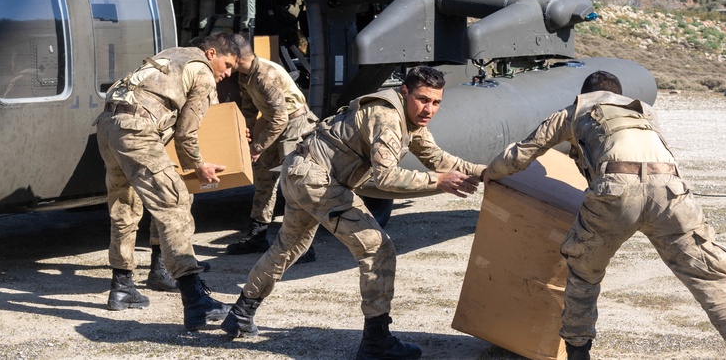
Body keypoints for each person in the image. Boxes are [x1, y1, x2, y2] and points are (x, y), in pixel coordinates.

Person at [485, 70, 726, 360]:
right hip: (671, 192)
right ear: (620, 94)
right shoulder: (644, 112)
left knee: (584, 273)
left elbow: (522, 153)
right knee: (708, 276)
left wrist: (489, 173)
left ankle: (578, 352)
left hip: (614, 190)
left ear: (585, 93)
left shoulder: (575, 111)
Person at [221, 65, 485, 360]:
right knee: (378, 248)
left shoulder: (408, 119)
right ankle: (377, 342)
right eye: (423, 99)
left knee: (288, 247)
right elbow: (386, 178)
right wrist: (438, 182)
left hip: (299, 172)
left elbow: (436, 157)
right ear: (405, 92)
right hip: (317, 180)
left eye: (436, 102)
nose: (429, 109)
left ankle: (240, 313)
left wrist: (483, 172)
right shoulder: (387, 118)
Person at [96, 32, 240, 330]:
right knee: (175, 203)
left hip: (109, 126)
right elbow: (188, 132)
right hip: (137, 130)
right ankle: (195, 299)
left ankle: (122, 287)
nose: (227, 74)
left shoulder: (172, 54)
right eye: (227, 65)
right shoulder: (202, 70)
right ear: (211, 53)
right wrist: (198, 166)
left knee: (125, 204)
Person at [225, 34, 319, 257]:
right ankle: (258, 235)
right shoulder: (245, 76)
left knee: (293, 184)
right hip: (273, 124)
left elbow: (280, 118)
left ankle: (303, 246)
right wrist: (244, 136)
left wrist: (257, 147)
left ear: (237, 58)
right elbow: (248, 109)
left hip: (295, 124)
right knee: (264, 178)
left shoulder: (266, 75)